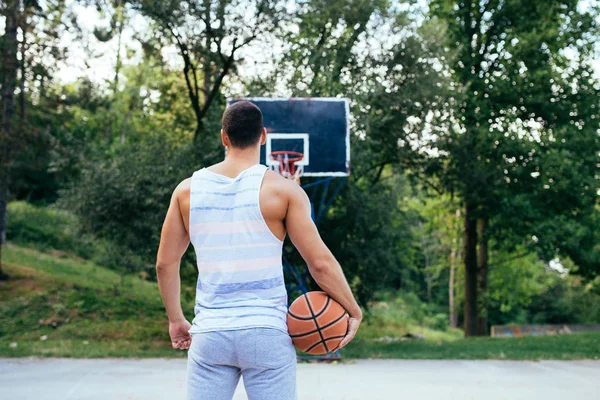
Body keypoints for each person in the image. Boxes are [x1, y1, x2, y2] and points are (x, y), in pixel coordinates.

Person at [155, 101, 362, 400]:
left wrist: (176, 319)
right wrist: (353, 309)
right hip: (266, 332)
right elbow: (320, 264)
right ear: (263, 136)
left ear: (224, 137)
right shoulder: (284, 191)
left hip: (211, 332)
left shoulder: (186, 190)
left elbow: (165, 263)